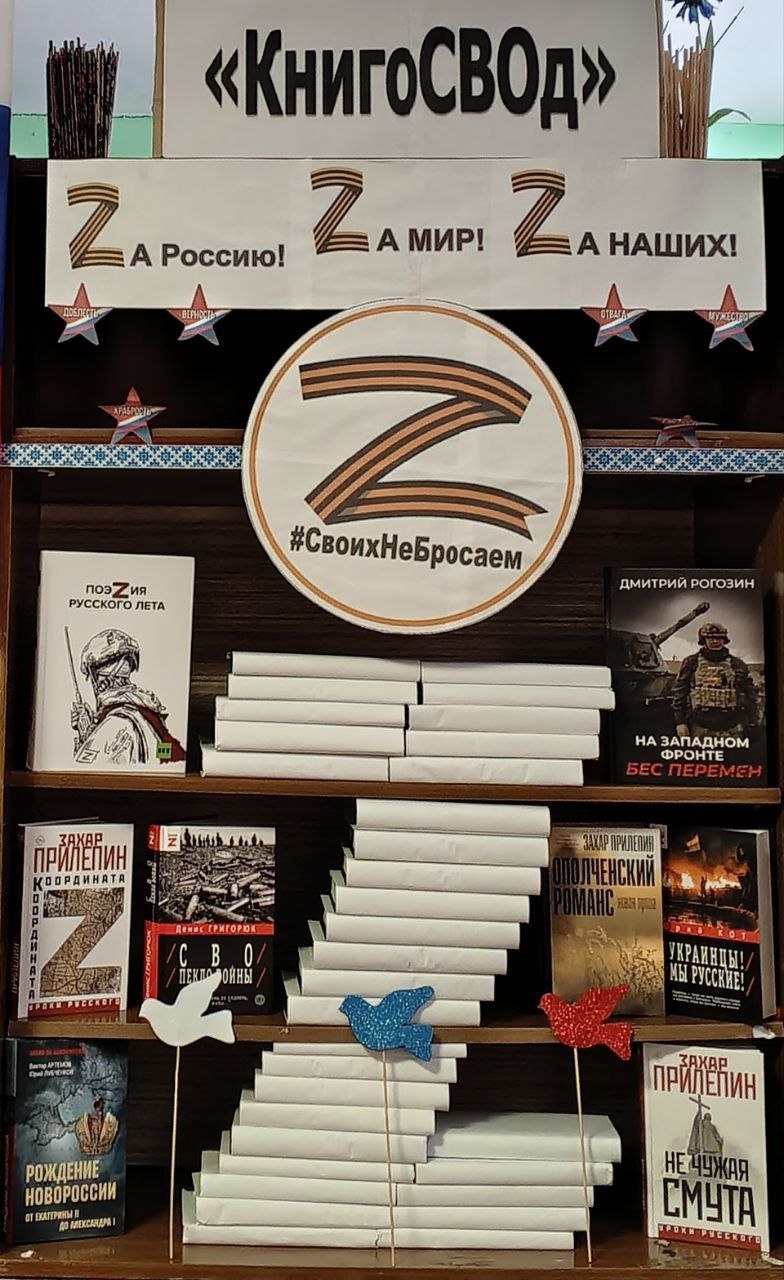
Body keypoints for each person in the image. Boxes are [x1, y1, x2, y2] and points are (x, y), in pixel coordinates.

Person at [71, 629, 185, 766]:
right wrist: (92, 731)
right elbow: (161, 754)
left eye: (93, 675)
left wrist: (88, 737)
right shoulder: (145, 711)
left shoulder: (116, 722)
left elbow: (90, 771)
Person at [672, 622, 758, 741]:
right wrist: (680, 722)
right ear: (704, 640)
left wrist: (752, 721)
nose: (715, 641)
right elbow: (680, 694)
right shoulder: (691, 662)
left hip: (732, 725)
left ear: (724, 640)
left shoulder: (737, 664)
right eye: (711, 638)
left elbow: (750, 694)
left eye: (719, 638)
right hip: (699, 725)